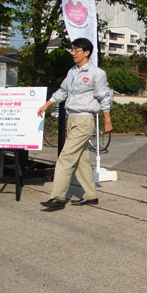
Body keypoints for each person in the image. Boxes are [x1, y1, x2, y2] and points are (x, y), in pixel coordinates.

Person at [37, 37, 113, 211]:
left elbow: (104, 96)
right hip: (71, 118)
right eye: (72, 50)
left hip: (85, 119)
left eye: (77, 50)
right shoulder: (72, 71)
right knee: (80, 160)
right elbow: (63, 91)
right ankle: (91, 195)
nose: (73, 53)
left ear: (86, 53)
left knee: (65, 157)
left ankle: (58, 197)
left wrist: (107, 120)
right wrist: (47, 104)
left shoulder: (97, 73)